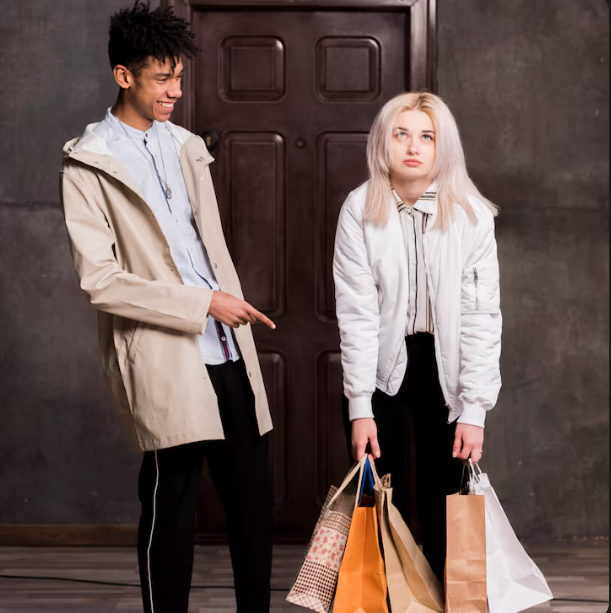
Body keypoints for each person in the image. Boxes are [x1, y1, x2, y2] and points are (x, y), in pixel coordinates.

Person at [59, 3, 275, 612]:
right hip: (165, 352)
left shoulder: (186, 147)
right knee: (171, 506)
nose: (176, 91)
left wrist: (219, 303)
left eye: (179, 77)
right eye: (162, 78)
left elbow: (203, 247)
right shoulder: (88, 163)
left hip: (228, 347)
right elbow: (101, 282)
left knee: (252, 505)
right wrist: (203, 302)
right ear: (123, 76)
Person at [333, 92, 502, 579]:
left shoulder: (470, 213)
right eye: (401, 134)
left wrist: (474, 410)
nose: (413, 147)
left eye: (427, 136)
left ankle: (446, 601)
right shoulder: (359, 208)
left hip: (445, 370)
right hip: (382, 368)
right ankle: (393, 600)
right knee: (385, 501)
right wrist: (360, 406)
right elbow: (357, 312)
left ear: (442, 146)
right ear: (382, 142)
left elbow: (481, 316)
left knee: (445, 500)